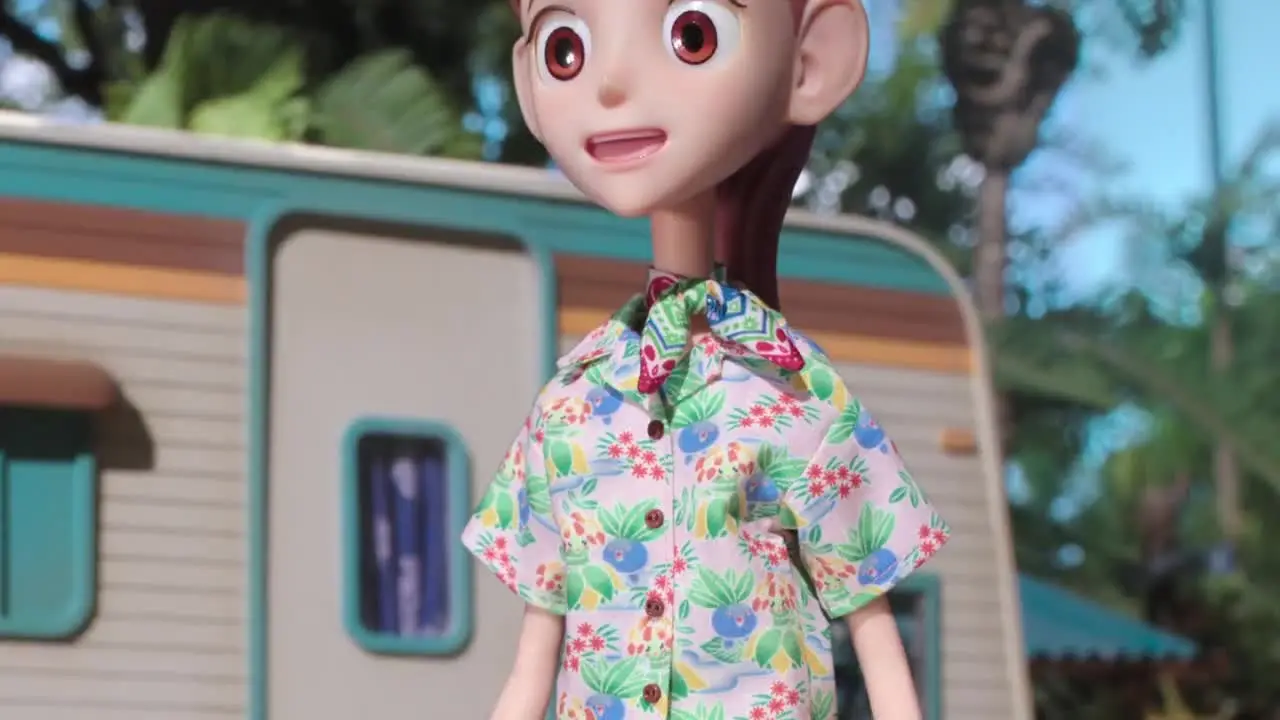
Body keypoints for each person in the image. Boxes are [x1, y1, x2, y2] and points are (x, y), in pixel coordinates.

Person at [461, 1, 950, 718]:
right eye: (566, 49)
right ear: (528, 87)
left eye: (692, 35)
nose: (612, 83)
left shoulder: (792, 393)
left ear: (812, 62)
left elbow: (870, 622)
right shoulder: (569, 408)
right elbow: (534, 656)